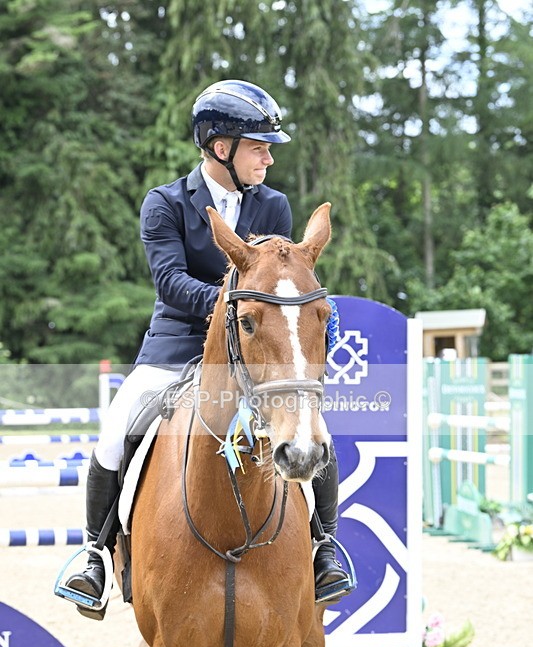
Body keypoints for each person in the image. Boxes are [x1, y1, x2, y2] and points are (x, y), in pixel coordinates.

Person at [65, 79, 351, 618]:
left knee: (314, 427)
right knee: (119, 424)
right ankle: (94, 552)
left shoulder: (274, 206)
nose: (268, 157)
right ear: (222, 148)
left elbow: (277, 284)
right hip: (175, 345)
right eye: (258, 146)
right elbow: (170, 282)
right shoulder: (166, 203)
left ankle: (324, 545)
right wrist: (229, 307)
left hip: (252, 351)